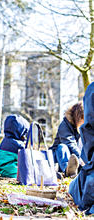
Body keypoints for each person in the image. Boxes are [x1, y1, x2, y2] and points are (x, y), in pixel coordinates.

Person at [69, 82, 94, 215]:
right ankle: (69, 170)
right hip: (71, 151)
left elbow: (89, 129)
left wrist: (86, 157)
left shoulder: (92, 90)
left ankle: (71, 174)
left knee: (78, 187)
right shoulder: (65, 125)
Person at [49, 102, 84, 178]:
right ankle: (67, 171)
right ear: (76, 116)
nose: (83, 122)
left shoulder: (84, 127)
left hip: (78, 160)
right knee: (62, 147)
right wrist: (82, 158)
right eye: (81, 119)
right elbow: (70, 143)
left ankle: (79, 171)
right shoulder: (64, 125)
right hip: (61, 157)